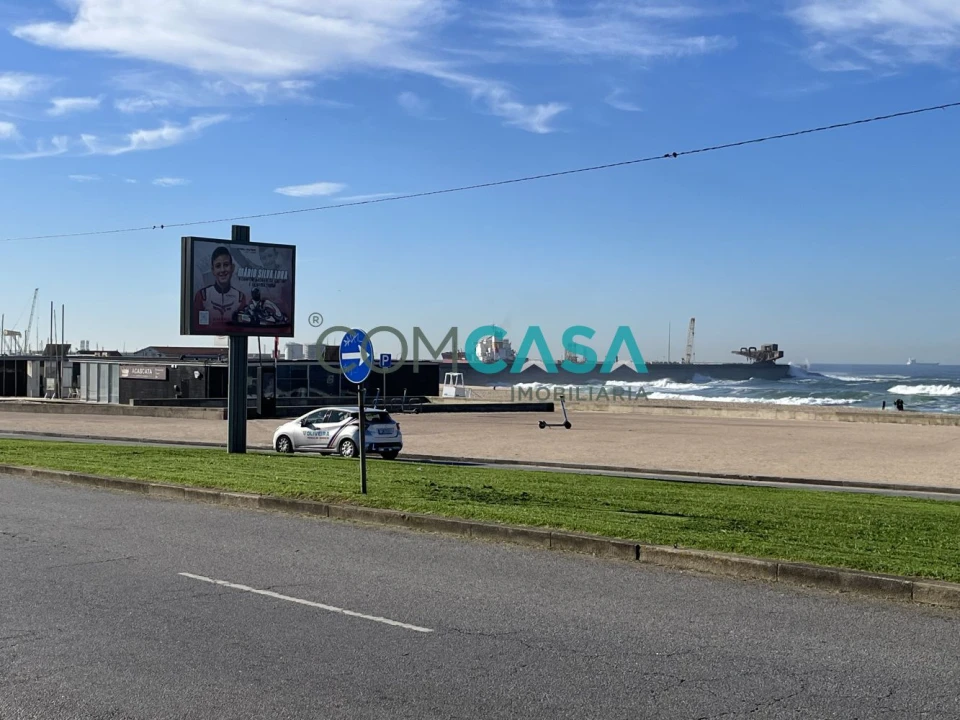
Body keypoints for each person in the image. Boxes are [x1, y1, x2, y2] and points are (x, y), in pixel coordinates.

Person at [193, 246, 247, 334]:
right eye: (218, 266)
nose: (222, 270)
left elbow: (242, 328)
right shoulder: (202, 296)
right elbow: (197, 326)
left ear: (232, 268)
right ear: (213, 270)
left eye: (226, 265)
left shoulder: (240, 298)